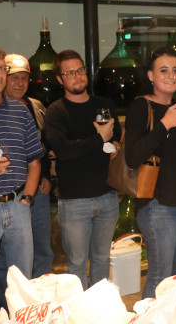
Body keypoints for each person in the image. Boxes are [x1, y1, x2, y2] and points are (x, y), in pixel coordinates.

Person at [125, 47, 176, 298]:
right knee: (160, 276)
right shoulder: (141, 107)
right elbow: (132, 157)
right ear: (150, 75)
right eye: (164, 70)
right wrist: (164, 124)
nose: (171, 76)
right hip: (157, 204)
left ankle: (170, 315)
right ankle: (149, 314)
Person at [45, 49, 121, 290]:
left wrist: (106, 144)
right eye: (70, 73)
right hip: (74, 200)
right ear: (60, 79)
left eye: (80, 70)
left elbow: (116, 139)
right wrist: (99, 139)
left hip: (108, 195)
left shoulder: (104, 105)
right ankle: (78, 309)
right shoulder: (56, 111)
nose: (77, 76)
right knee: (76, 264)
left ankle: (98, 306)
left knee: (102, 259)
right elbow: (63, 150)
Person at [0, 46, 43, 315]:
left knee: (22, 285)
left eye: (2, 69)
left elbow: (34, 160)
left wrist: (27, 198)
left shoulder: (20, 110)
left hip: (18, 207)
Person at [0, 54, 55, 309]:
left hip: (35, 190)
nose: (20, 83)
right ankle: (9, 306)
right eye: (14, 77)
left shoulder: (35, 106)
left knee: (42, 249)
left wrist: (46, 177)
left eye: (24, 78)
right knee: (4, 258)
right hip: (2, 195)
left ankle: (38, 305)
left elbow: (44, 146)